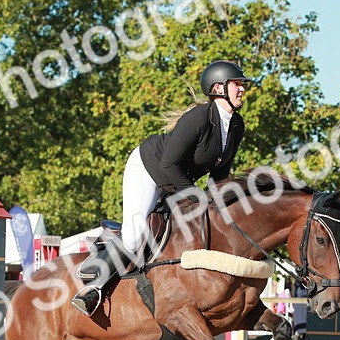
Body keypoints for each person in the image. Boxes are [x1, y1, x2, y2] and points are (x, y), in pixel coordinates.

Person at [71, 60, 252, 315]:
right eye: (237, 84)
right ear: (218, 88)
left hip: (176, 179)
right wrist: (195, 194)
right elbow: (168, 163)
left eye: (242, 85)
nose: (242, 89)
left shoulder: (236, 125)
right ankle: (93, 288)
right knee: (135, 235)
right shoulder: (198, 118)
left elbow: (220, 172)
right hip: (148, 169)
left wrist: (219, 204)